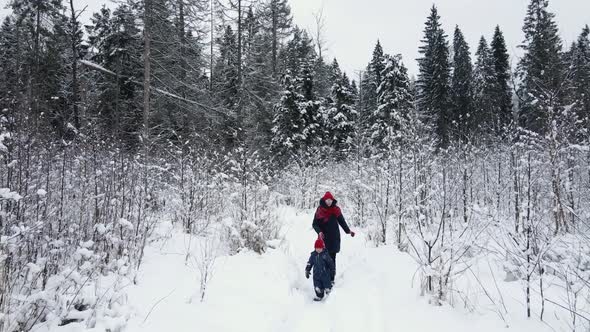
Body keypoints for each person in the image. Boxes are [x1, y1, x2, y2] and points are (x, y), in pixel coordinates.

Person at [312, 191, 355, 285]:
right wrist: (319, 231)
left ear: (332, 200)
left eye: (330, 200)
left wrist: (348, 231)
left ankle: (331, 279)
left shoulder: (336, 210)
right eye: (327, 200)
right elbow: (314, 224)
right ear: (324, 200)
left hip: (334, 238)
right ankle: (322, 279)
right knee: (322, 260)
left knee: (332, 259)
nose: (329, 202)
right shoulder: (319, 210)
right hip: (323, 239)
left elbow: (342, 222)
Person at [305, 236, 335, 301]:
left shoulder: (325, 255)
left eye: (320, 248)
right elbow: (310, 263)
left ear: (322, 247)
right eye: (317, 248)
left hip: (325, 275)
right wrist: (307, 270)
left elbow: (331, 264)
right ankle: (319, 296)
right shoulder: (313, 255)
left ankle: (329, 296)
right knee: (317, 287)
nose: (318, 249)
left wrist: (332, 272)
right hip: (316, 276)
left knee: (327, 286)